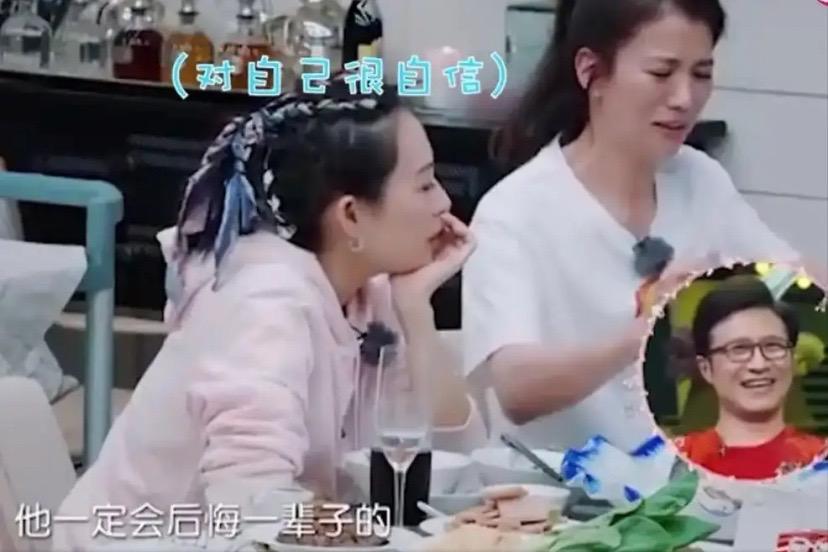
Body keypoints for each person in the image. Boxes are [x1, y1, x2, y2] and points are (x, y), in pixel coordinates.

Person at [54, 77, 486, 550]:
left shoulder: (369, 293)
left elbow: (457, 473)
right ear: (351, 216)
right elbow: (250, 502)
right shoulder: (265, 303)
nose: (444, 203)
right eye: (424, 184)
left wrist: (416, 309)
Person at [462, 0, 802, 454]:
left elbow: (794, 279)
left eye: (701, 74)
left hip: (687, 483)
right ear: (591, 72)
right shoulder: (515, 212)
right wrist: (645, 329)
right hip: (553, 491)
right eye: (661, 73)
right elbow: (517, 388)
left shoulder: (699, 179)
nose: (684, 98)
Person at [673, 278, 828, 480]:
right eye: (739, 349)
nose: (759, 364)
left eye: (773, 346)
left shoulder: (819, 460)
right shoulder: (673, 463)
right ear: (706, 368)